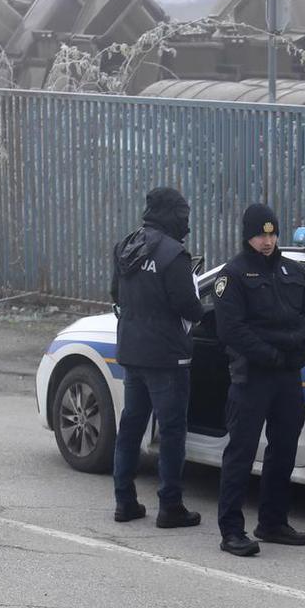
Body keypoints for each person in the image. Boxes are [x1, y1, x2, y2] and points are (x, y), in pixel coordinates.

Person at [213, 203, 305, 557]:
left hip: (288, 375)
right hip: (253, 375)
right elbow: (231, 330)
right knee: (242, 451)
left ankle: (273, 522)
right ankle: (232, 529)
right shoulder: (233, 276)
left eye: (272, 233)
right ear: (248, 235)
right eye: (261, 234)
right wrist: (271, 355)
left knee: (284, 450)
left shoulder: (293, 271)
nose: (267, 240)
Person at [110, 186, 204, 528]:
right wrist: (207, 311)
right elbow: (187, 306)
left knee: (131, 426)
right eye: (184, 216)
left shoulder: (126, 246)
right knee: (172, 430)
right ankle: (170, 506)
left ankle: (124, 501)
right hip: (167, 357)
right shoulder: (173, 254)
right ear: (174, 215)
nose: (187, 223)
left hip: (132, 352)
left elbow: (114, 294)